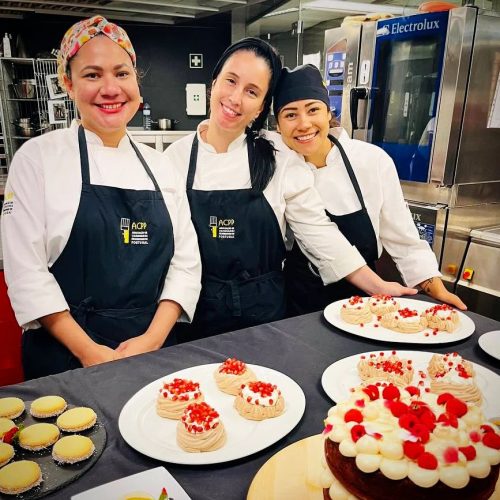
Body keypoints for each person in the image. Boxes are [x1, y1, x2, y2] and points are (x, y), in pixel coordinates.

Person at [164, 38, 415, 341]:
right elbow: (170, 254)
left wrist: (378, 286)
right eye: (230, 81)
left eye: (252, 92)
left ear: (261, 108)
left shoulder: (278, 157)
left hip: (266, 319)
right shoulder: (174, 160)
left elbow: (318, 233)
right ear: (213, 82)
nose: (235, 98)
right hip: (196, 317)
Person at [1, 16, 201, 379]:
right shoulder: (37, 159)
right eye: (92, 75)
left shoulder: (160, 166)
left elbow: (186, 264)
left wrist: (152, 340)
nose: (111, 89)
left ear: (135, 79)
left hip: (152, 352)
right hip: (67, 357)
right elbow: (26, 273)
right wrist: (88, 351)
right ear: (68, 82)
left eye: (121, 73)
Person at [271, 64, 466, 316]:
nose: (304, 124)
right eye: (290, 115)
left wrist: (433, 285)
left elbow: (402, 236)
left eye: (313, 110)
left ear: (329, 113)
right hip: (300, 302)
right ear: (277, 124)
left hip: (367, 300)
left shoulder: (371, 160)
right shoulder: (277, 168)